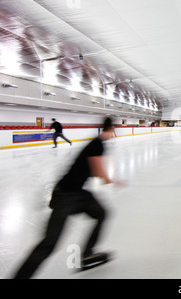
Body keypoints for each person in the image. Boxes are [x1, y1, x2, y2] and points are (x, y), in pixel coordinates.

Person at [14, 118, 123, 279]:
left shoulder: (97, 143)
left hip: (77, 193)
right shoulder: (97, 144)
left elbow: (93, 171)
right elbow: (98, 173)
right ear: (112, 129)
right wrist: (111, 180)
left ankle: (87, 254)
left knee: (101, 213)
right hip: (65, 196)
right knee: (49, 244)